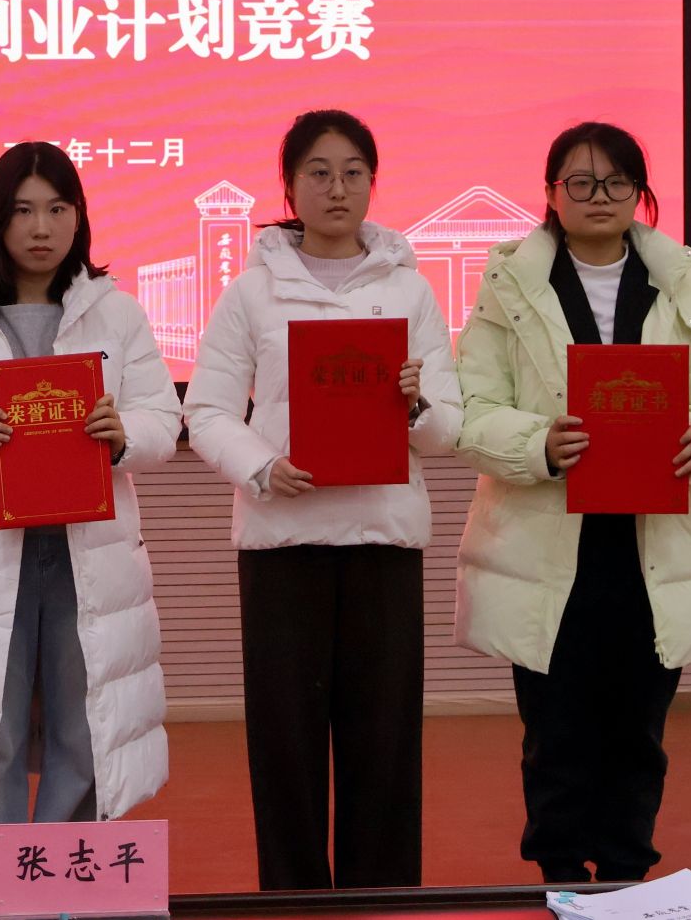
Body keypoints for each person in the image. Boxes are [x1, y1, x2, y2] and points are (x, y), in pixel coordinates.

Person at [453, 121, 691, 885]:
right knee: (553, 733)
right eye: (581, 182)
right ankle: (561, 876)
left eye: (617, 181)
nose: (600, 196)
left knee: (638, 731)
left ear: (639, 193)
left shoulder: (684, 284)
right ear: (551, 192)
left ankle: (627, 874)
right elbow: (471, 410)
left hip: (650, 543)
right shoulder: (508, 284)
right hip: (547, 541)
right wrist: (538, 443)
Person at [0, 141, 180, 900]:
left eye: (56, 208)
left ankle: (59, 895)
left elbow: (163, 418)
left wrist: (123, 434)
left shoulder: (115, 310)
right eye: (22, 210)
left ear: (78, 217)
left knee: (89, 729)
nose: (41, 227)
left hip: (89, 558)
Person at [183, 108, 462, 891]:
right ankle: (292, 901)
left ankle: (382, 902)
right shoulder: (251, 291)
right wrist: (262, 466)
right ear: (290, 186)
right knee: (286, 747)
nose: (337, 188)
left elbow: (448, 426)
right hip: (283, 543)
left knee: (385, 746)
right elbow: (205, 411)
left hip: (382, 540)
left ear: (372, 182)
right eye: (319, 172)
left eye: (353, 172)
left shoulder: (409, 289)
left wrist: (415, 403)